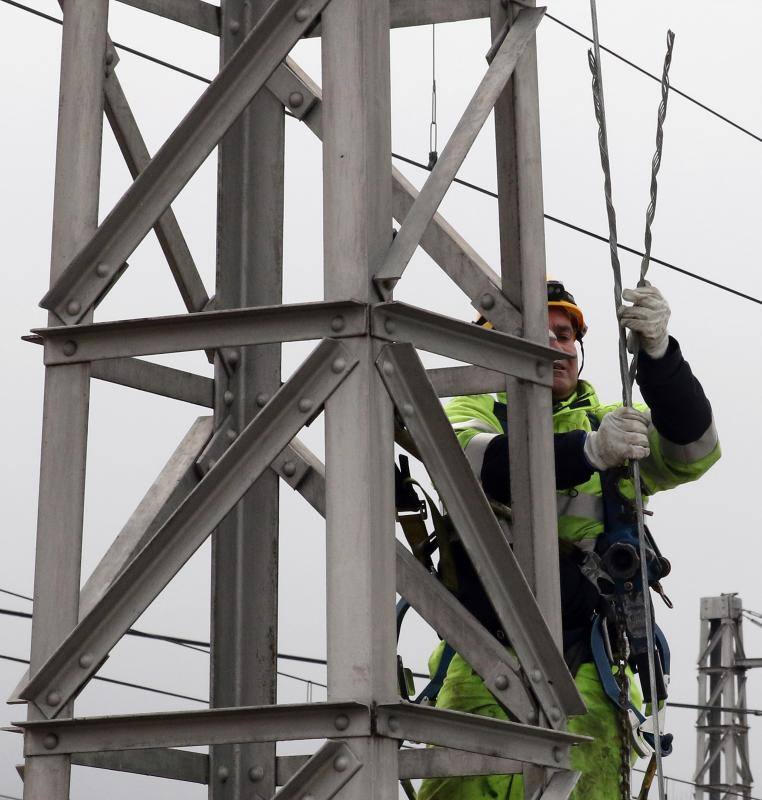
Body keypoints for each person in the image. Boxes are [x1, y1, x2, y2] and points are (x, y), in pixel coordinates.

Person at [417, 280, 721, 800]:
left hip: (591, 657)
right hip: (487, 653)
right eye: (538, 333)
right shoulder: (471, 409)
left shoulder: (608, 423)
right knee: (465, 783)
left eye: (564, 335)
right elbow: (469, 460)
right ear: (492, 346)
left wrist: (660, 357)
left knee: (591, 779)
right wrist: (588, 453)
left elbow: (694, 448)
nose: (555, 346)